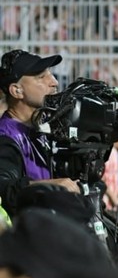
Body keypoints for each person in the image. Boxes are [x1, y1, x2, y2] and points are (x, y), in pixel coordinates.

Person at [0, 49, 79, 217]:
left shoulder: (42, 128)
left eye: (50, 75)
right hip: (25, 237)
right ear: (17, 91)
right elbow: (6, 191)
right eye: (41, 77)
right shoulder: (5, 136)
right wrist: (51, 185)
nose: (54, 82)